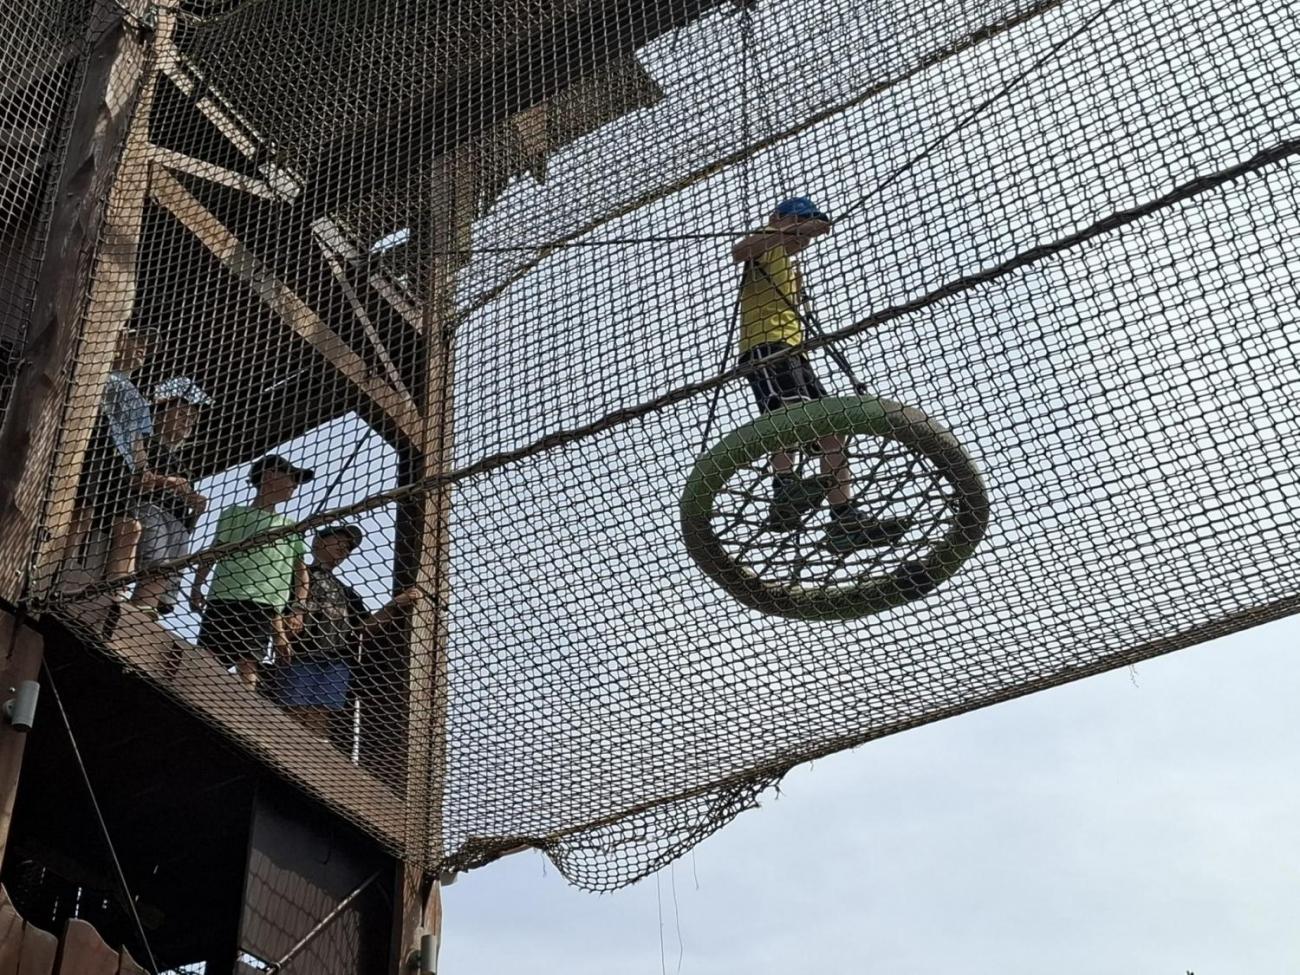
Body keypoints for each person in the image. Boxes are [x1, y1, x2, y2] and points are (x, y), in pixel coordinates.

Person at [731, 196, 911, 551]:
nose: (804, 242)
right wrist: (786, 230)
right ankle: (784, 487)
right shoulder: (767, 243)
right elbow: (740, 250)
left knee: (832, 433)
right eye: (799, 229)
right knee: (788, 416)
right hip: (766, 347)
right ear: (781, 219)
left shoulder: (790, 264)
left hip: (795, 352)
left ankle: (843, 518)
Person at [274, 524, 421, 743]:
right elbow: (274, 605)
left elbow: (364, 625)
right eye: (339, 542)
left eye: (348, 547)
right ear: (318, 542)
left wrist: (393, 605)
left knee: (320, 715)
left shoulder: (347, 593)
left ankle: (310, 757)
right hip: (299, 653)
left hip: (335, 658)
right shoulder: (295, 576)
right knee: (294, 710)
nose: (344, 549)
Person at [190, 454, 313, 689]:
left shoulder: (291, 526)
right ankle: (197, 694)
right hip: (225, 596)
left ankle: (243, 702)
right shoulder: (234, 514)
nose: (295, 485)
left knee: (248, 660)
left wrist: (298, 607)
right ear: (269, 475)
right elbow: (213, 552)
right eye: (291, 477)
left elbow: (301, 572)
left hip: (263, 604)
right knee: (208, 658)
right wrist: (197, 585)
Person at [65, 326, 158, 578]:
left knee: (130, 527)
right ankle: (63, 564)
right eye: (137, 340)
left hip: (120, 463)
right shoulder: (101, 373)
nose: (143, 348)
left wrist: (143, 469)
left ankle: (115, 588)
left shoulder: (139, 398)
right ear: (119, 341)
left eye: (147, 347)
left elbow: (137, 437)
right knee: (83, 508)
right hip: (98, 443)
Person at [124, 377, 213, 616]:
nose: (188, 422)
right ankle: (142, 604)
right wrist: (168, 482)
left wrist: (196, 508)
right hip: (147, 506)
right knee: (158, 552)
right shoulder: (147, 445)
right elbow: (134, 480)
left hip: (176, 520)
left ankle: (153, 607)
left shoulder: (184, 465)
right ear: (161, 416)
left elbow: (189, 522)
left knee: (177, 553)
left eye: (192, 419)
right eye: (182, 414)